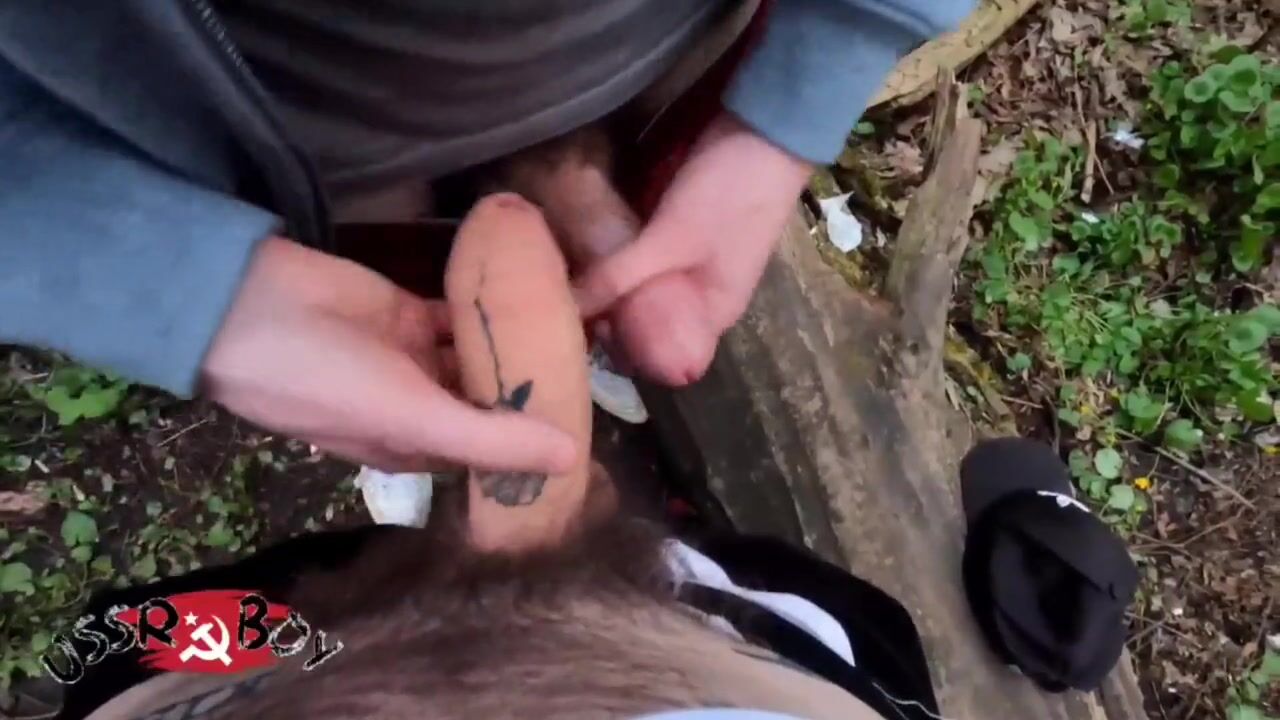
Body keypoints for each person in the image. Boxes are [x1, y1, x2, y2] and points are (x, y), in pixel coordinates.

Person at [51, 196, 942, 720]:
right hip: (746, 660)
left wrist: (209, 306)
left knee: (140, 639)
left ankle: (511, 549)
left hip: (253, 654)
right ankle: (567, 548)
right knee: (828, 614)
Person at [0, 0, 972, 478]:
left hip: (651, 47)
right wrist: (185, 287)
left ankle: (558, 167)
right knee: (393, 289)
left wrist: (797, 99)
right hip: (275, 123)